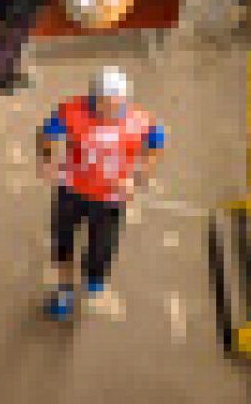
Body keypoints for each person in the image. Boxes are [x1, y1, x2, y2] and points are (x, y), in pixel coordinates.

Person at [36, 67, 166, 320]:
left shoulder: (141, 121)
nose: (110, 111)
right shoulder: (70, 111)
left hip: (110, 198)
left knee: (101, 245)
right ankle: (64, 291)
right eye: (104, 104)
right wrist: (47, 159)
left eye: (117, 104)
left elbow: (155, 144)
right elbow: (47, 132)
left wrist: (139, 175)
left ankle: (94, 274)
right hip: (71, 189)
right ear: (93, 99)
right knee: (62, 243)